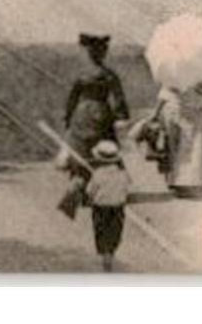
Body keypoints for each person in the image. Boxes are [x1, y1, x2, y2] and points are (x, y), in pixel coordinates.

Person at [62, 34, 129, 184]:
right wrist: (121, 115)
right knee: (105, 144)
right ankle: (106, 182)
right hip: (101, 111)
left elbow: (72, 98)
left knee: (80, 146)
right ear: (103, 53)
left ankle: (79, 179)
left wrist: (68, 118)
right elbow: (119, 98)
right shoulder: (109, 75)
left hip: (81, 112)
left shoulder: (81, 75)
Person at [84, 140, 132, 272]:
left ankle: (104, 253)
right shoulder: (123, 174)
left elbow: (90, 191)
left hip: (100, 207)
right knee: (115, 231)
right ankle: (111, 251)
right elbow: (127, 189)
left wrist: (91, 198)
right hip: (117, 207)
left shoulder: (97, 174)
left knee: (101, 230)